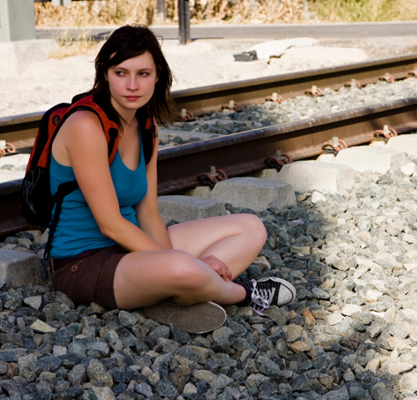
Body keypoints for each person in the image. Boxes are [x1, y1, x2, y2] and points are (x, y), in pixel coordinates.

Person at [48, 25, 295, 334]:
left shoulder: (144, 124)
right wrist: (192, 264)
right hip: (85, 263)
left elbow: (148, 212)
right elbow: (109, 223)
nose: (132, 85)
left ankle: (170, 291)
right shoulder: (85, 125)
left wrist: (182, 261)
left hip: (135, 247)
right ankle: (244, 293)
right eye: (121, 72)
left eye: (143, 73)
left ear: (158, 75)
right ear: (105, 73)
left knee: (250, 227)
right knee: (181, 267)